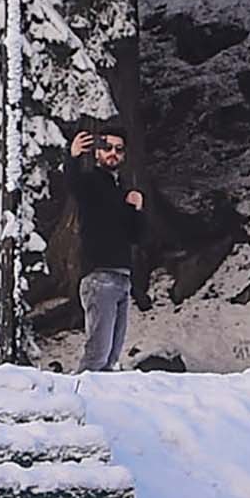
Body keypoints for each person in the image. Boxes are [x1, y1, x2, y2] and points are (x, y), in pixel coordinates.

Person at [59, 123, 147, 372]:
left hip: (122, 278)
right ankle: (76, 401)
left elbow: (136, 236)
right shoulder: (91, 183)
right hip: (99, 277)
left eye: (119, 149)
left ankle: (100, 406)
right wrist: (73, 156)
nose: (113, 153)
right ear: (97, 152)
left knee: (110, 359)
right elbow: (73, 183)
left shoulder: (121, 190)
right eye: (107, 147)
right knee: (97, 356)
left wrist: (136, 210)